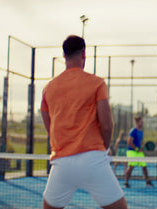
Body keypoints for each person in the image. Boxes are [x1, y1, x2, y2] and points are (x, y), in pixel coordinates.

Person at [40, 35, 127, 209]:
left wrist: (61, 143)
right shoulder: (97, 83)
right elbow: (107, 124)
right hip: (93, 159)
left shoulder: (48, 88)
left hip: (62, 163)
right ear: (84, 54)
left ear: (64, 56)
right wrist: (105, 148)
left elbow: (48, 123)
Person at [123, 117, 153, 188]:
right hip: (131, 151)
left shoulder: (141, 132)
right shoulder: (133, 131)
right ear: (137, 123)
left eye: (142, 122)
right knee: (131, 167)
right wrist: (136, 149)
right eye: (141, 122)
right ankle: (126, 182)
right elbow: (129, 142)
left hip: (139, 151)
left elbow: (141, 142)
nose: (142, 123)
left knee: (144, 166)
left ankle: (148, 181)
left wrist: (141, 147)